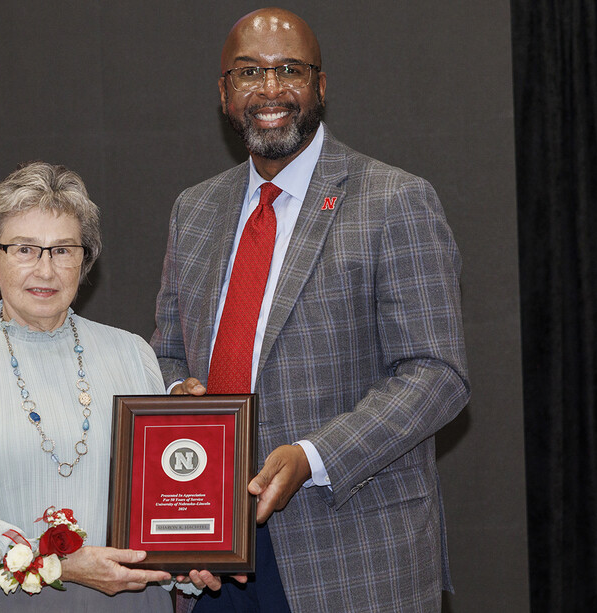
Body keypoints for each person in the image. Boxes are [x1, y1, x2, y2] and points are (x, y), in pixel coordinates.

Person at [151, 8, 470, 612]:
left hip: (351, 559)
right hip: (209, 558)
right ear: (224, 94)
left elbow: (437, 375)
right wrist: (174, 395)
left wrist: (313, 457)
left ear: (320, 86)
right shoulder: (192, 213)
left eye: (289, 70)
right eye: (249, 73)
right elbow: (168, 350)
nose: (270, 90)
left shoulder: (394, 200)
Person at [0, 162, 173, 612]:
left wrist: (194, 558)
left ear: (84, 262)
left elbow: (165, 499)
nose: (45, 270)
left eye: (63, 250)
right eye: (25, 250)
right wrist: (64, 564)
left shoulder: (132, 354)